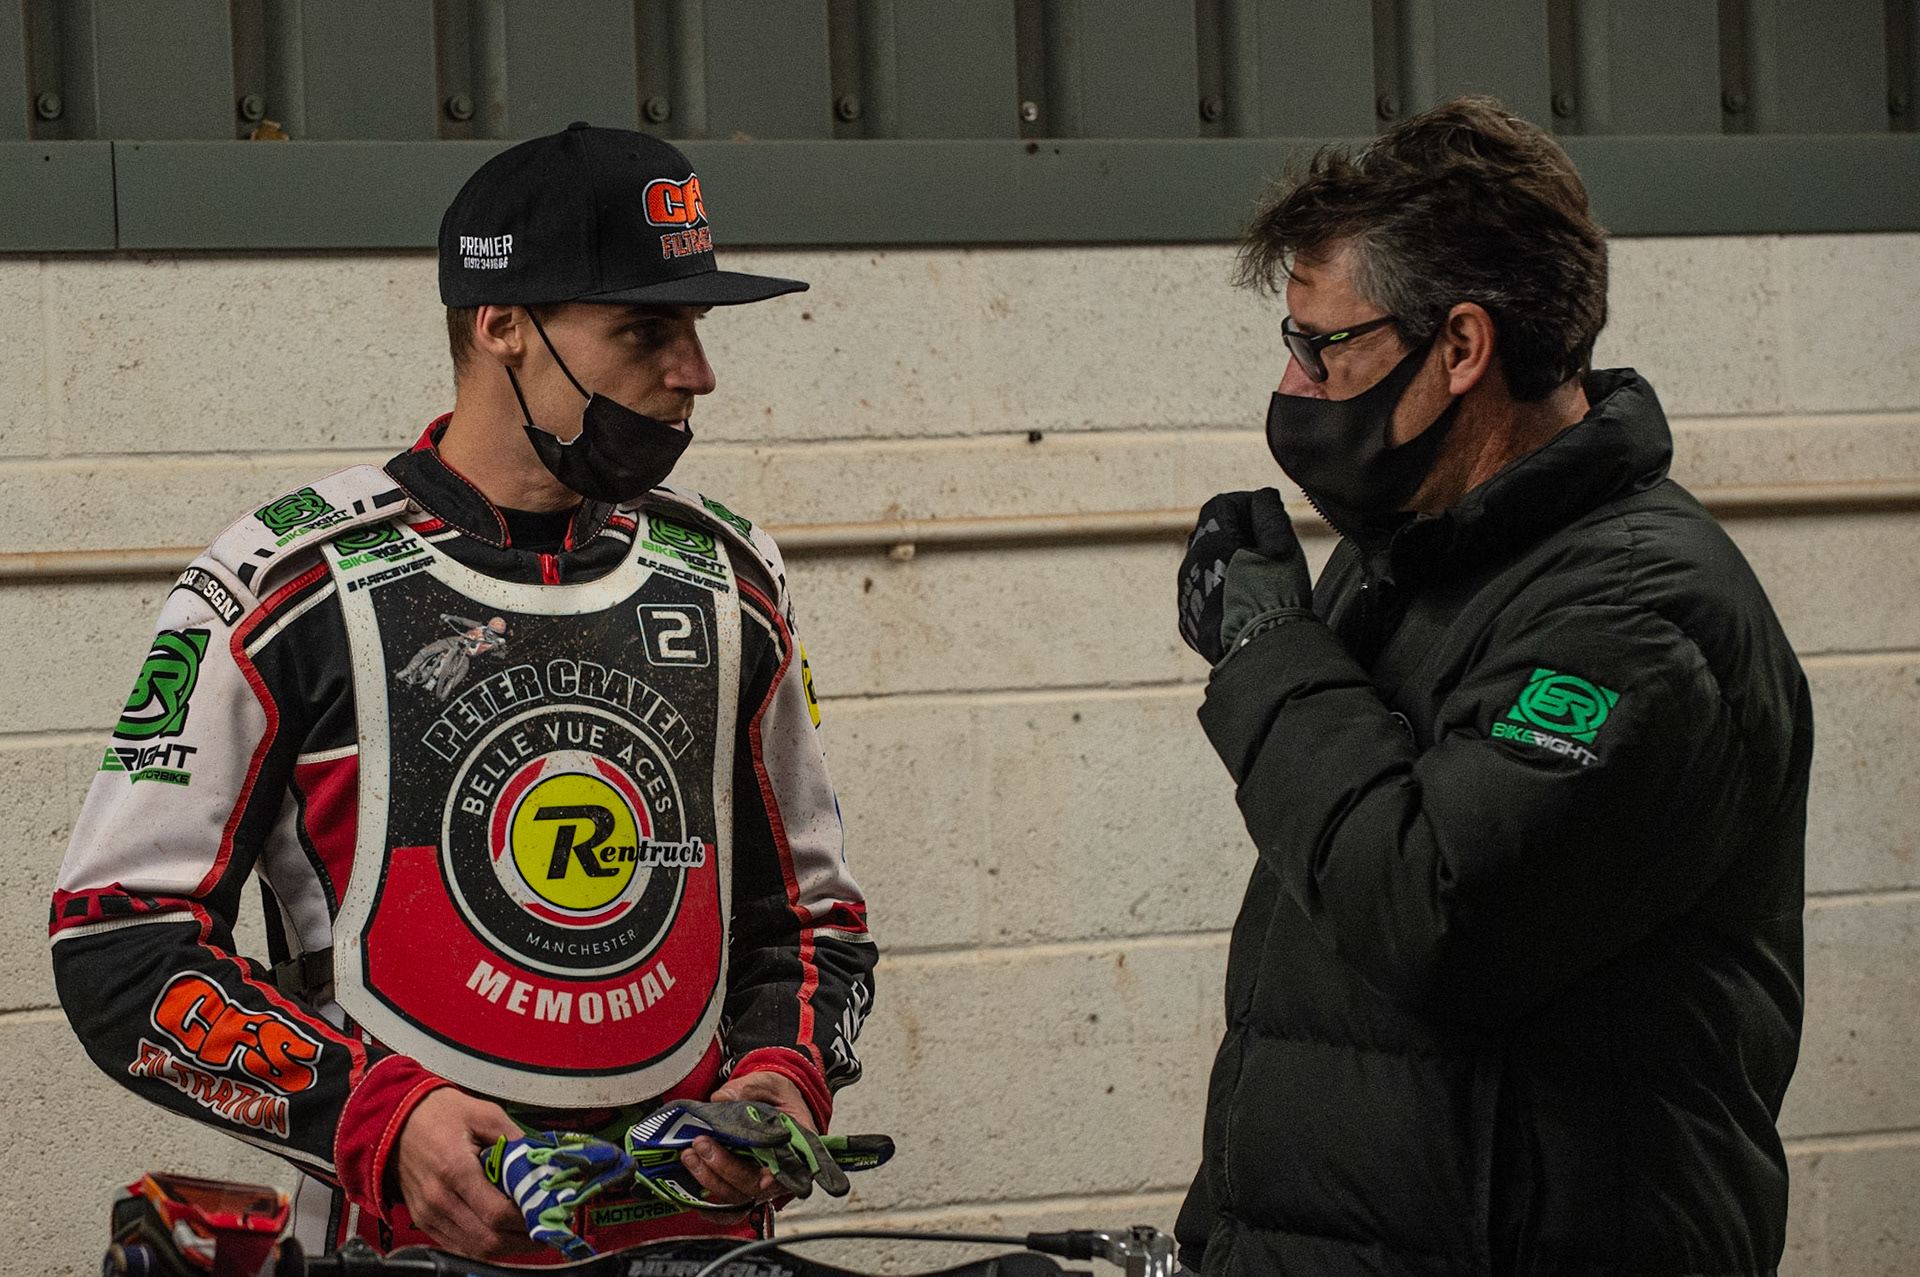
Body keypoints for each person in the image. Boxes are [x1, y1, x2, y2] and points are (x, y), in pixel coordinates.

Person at [53, 123, 876, 1264]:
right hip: (398, 1245)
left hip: (701, 1243)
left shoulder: (732, 578)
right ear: (502, 324)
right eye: (648, 327)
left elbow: (815, 923)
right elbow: (118, 943)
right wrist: (373, 1122)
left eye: (695, 327)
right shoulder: (282, 582)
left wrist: (782, 1076)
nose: (697, 370)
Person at [1174, 98, 1808, 1276]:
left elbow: (1433, 911)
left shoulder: (1639, 613)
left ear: (1461, 348)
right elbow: (1324, 975)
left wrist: (1267, 649)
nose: (1294, 382)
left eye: (1326, 347)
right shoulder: (1414, 556)